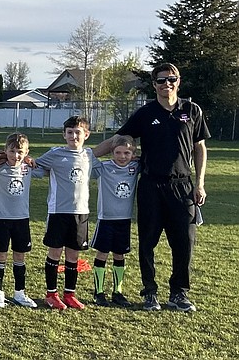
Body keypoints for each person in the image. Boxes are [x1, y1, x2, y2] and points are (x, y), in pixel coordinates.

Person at [94, 63, 208, 312]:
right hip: (151, 186)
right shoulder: (146, 113)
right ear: (154, 84)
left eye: (171, 79)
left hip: (183, 187)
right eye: (161, 80)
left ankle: (179, 293)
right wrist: (83, 157)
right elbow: (117, 139)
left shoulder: (192, 110)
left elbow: (199, 147)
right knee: (147, 243)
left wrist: (199, 183)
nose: (167, 84)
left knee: (184, 243)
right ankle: (150, 293)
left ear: (178, 81)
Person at [33, 116, 101, 311]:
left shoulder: (89, 155)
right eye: (70, 132)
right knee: (55, 252)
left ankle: (69, 294)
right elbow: (36, 166)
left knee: (73, 254)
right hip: (58, 212)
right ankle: (51, 294)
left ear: (86, 135)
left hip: (81, 213)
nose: (73, 136)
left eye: (78, 132)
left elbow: (101, 170)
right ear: (64, 135)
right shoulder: (55, 154)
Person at [0, 133, 41, 308]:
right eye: (12, 151)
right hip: (1, 218)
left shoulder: (28, 167)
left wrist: (29, 159)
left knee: (20, 256)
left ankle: (20, 293)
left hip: (22, 219)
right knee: (0, 255)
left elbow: (47, 168)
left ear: (26, 152)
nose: (16, 156)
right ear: (5, 151)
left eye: (20, 152)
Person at [91, 136, 138, 307]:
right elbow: (88, 157)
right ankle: (99, 292)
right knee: (102, 253)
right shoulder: (103, 167)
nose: (122, 156)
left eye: (127, 153)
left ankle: (118, 292)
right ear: (111, 153)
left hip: (124, 220)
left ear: (133, 154)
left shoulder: (135, 166)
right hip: (106, 219)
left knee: (120, 254)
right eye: (118, 152)